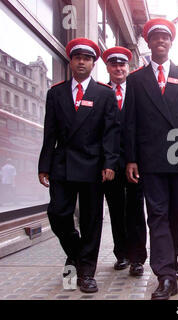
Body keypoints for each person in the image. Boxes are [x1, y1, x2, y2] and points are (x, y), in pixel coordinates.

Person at [125, 18, 178, 300]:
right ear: (148, 43)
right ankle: (165, 275)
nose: (160, 42)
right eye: (155, 38)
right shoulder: (136, 79)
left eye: (165, 38)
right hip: (151, 159)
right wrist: (131, 159)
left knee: (176, 214)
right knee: (156, 215)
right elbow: (129, 122)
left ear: (171, 42)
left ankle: (171, 256)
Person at [38, 38, 120, 293]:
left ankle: (86, 272)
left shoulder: (105, 93)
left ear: (93, 63)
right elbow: (49, 132)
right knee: (58, 214)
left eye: (87, 58)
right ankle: (75, 251)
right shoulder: (56, 92)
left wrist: (110, 162)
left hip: (93, 164)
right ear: (71, 62)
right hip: (62, 163)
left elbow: (111, 132)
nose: (82, 62)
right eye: (77, 58)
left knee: (91, 220)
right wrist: (44, 165)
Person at [101, 47, 147, 276]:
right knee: (116, 209)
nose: (118, 69)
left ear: (128, 68)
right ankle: (122, 254)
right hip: (110, 163)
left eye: (122, 65)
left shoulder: (138, 91)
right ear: (107, 68)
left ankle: (138, 257)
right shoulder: (100, 92)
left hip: (135, 161)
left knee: (136, 210)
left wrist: (137, 158)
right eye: (114, 65)